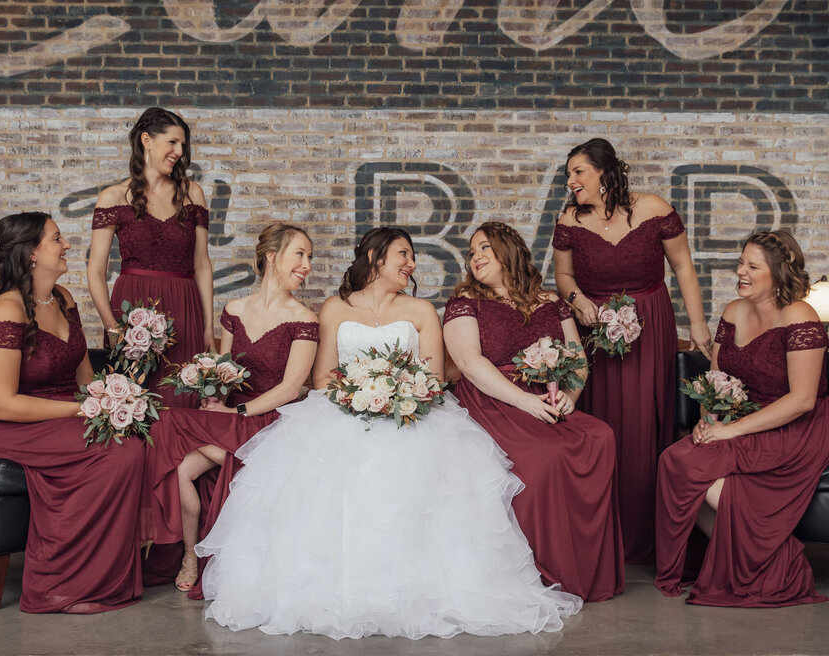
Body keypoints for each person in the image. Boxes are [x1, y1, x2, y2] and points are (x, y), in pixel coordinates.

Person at [194, 227, 582, 639]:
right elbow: (323, 380)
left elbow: (433, 379)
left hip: (411, 411)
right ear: (377, 259)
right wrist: (363, 390)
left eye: (412, 257)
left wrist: (397, 391)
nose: (411, 264)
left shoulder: (421, 311)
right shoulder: (334, 309)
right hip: (343, 410)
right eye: (404, 254)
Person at [0, 212, 144, 614]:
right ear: (31, 254)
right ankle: (56, 588)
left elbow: (85, 377)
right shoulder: (5, 312)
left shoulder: (64, 299)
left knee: (136, 438)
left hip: (64, 416)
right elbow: (2, 404)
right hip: (17, 426)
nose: (67, 246)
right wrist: (81, 410)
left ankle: (109, 573)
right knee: (118, 453)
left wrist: (114, 400)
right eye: (57, 239)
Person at [655, 230, 829, 607]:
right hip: (744, 414)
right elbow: (716, 379)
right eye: (741, 262)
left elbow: (803, 400)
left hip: (800, 425)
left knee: (702, 471)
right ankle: (746, 552)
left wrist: (730, 431)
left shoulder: (799, 314)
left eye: (752, 266)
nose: (740, 271)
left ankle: (769, 559)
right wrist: (707, 420)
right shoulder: (733, 311)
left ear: (777, 272)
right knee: (674, 462)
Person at [443, 222, 625, 602]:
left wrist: (570, 398)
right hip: (493, 401)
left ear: (508, 252)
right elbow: (469, 362)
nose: (474, 256)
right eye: (471, 252)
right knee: (542, 459)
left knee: (600, 437)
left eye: (484, 248)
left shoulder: (550, 302)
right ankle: (544, 572)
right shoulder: (465, 302)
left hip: (549, 399)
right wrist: (523, 400)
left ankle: (587, 568)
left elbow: (576, 359)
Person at [552, 137, 711, 563]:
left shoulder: (654, 209)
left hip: (651, 324)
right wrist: (578, 302)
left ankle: (650, 533)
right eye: (569, 174)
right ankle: (603, 535)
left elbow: (682, 267)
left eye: (578, 172)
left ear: (604, 172)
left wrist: (697, 324)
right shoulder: (569, 218)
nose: (570, 181)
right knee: (604, 422)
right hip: (596, 331)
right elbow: (563, 277)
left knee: (646, 419)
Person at [144, 223, 319, 596]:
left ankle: (194, 549)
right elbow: (223, 372)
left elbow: (291, 388)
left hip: (271, 421)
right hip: (229, 418)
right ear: (272, 257)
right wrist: (214, 399)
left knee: (177, 438)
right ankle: (190, 555)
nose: (307, 265)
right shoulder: (234, 309)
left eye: (309, 257)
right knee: (178, 463)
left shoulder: (305, 320)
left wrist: (237, 414)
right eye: (300, 254)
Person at [88, 106, 213, 403]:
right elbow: (95, 271)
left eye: (183, 144)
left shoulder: (191, 193)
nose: (179, 151)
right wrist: (113, 328)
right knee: (133, 401)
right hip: (132, 310)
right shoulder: (113, 197)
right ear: (146, 140)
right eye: (172, 142)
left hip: (185, 308)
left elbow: (202, 264)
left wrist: (208, 327)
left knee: (182, 398)